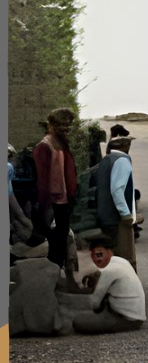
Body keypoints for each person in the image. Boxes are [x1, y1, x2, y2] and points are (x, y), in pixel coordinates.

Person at [32, 108, 78, 269]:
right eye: (62, 125)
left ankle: (58, 269)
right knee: (54, 238)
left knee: (61, 236)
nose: (65, 128)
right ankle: (53, 270)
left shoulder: (61, 144)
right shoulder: (44, 146)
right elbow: (42, 179)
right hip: (52, 200)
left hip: (63, 199)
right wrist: (43, 204)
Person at [68, 241, 145, 333]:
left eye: (99, 254)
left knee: (78, 320)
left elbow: (93, 303)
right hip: (137, 316)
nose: (95, 258)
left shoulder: (107, 271)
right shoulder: (121, 261)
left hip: (126, 319)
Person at [96, 134, 138, 272]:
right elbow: (117, 190)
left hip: (106, 215)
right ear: (125, 147)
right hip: (118, 217)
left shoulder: (108, 159)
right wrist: (126, 214)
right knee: (126, 255)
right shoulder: (122, 160)